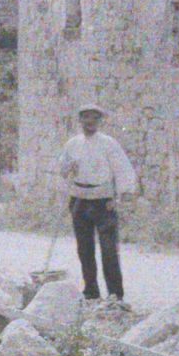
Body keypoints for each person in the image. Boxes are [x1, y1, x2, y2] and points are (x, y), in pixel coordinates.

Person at [55, 102, 138, 302]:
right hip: (79, 200)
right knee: (84, 249)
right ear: (80, 120)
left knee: (109, 249)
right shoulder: (72, 144)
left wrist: (122, 194)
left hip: (103, 201)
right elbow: (62, 169)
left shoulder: (109, 143)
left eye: (94, 118)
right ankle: (91, 291)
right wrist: (69, 166)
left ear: (100, 121)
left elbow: (122, 169)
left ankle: (115, 294)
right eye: (86, 117)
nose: (90, 122)